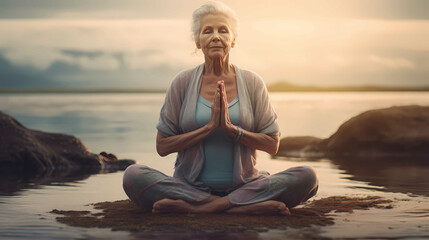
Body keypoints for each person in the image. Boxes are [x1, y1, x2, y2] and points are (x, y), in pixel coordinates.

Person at [123, 1, 318, 215]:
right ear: (198, 41)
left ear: (233, 40)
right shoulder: (182, 82)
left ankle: (202, 209)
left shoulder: (253, 82)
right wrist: (206, 129)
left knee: (308, 176)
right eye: (208, 31)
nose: (216, 36)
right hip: (189, 187)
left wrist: (232, 130)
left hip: (246, 185)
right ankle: (241, 206)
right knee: (133, 175)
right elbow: (162, 146)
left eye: (223, 30)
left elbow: (272, 145)